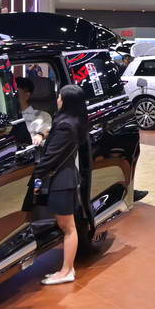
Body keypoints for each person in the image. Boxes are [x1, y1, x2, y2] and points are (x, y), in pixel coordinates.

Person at [32, 84, 90, 285]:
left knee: (68, 227)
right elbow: (53, 131)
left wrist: (35, 176)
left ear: (66, 101)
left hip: (61, 182)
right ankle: (67, 269)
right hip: (65, 179)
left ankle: (66, 271)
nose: (57, 99)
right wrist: (42, 134)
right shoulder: (71, 120)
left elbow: (51, 158)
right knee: (67, 226)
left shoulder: (67, 126)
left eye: (60, 96)